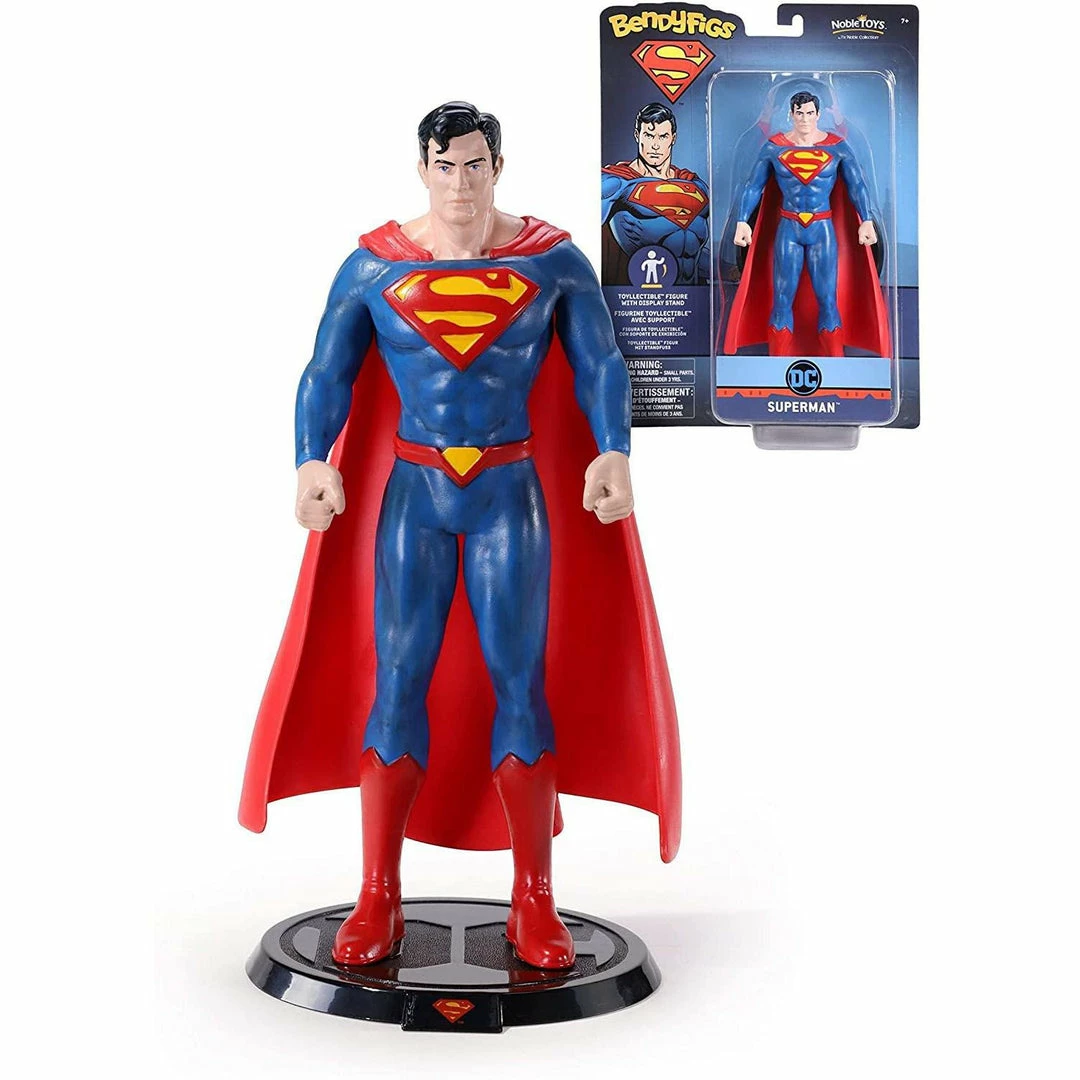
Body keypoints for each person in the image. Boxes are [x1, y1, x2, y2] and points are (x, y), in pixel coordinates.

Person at [240, 102, 680, 971]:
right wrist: (309, 459)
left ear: (498, 167)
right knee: (398, 678)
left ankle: (533, 897)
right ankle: (379, 892)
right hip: (416, 493)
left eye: (476, 165)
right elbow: (325, 372)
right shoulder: (375, 264)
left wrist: (614, 449)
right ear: (423, 169)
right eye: (445, 166)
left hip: (510, 492)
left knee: (521, 680)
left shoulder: (550, 259)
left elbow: (600, 361)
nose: (461, 183)